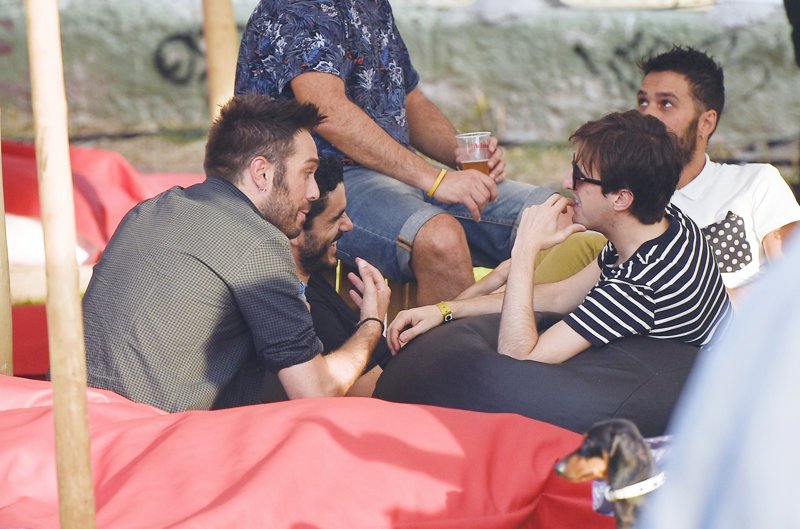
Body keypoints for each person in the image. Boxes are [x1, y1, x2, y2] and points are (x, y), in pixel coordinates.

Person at [234, 0, 556, 306]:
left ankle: (532, 342)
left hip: (395, 172)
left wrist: (460, 152)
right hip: (323, 180)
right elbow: (327, 111)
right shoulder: (301, 6)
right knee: (439, 238)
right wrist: (435, 179)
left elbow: (409, 100)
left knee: (553, 214)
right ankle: (454, 347)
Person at [83, 95, 390, 412]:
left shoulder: (149, 211)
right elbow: (314, 390)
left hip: (71, 416)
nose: (313, 192)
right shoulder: (258, 242)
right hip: (147, 433)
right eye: (307, 173)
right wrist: (371, 323)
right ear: (262, 173)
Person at [387, 110, 732, 363]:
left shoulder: (639, 287)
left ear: (621, 199)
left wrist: (525, 249)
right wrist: (445, 310)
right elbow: (561, 296)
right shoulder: (664, 227)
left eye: (580, 177)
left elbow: (519, 356)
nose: (567, 184)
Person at [636, 45, 800, 305]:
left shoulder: (756, 182)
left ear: (706, 122)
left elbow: (791, 280)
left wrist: (712, 306)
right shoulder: (626, 199)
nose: (648, 115)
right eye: (643, 102)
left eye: (666, 103)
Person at [288, 156, 393, 397]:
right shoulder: (307, 310)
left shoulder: (311, 278)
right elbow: (374, 396)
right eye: (336, 218)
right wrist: (373, 321)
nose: (349, 225)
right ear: (295, 228)